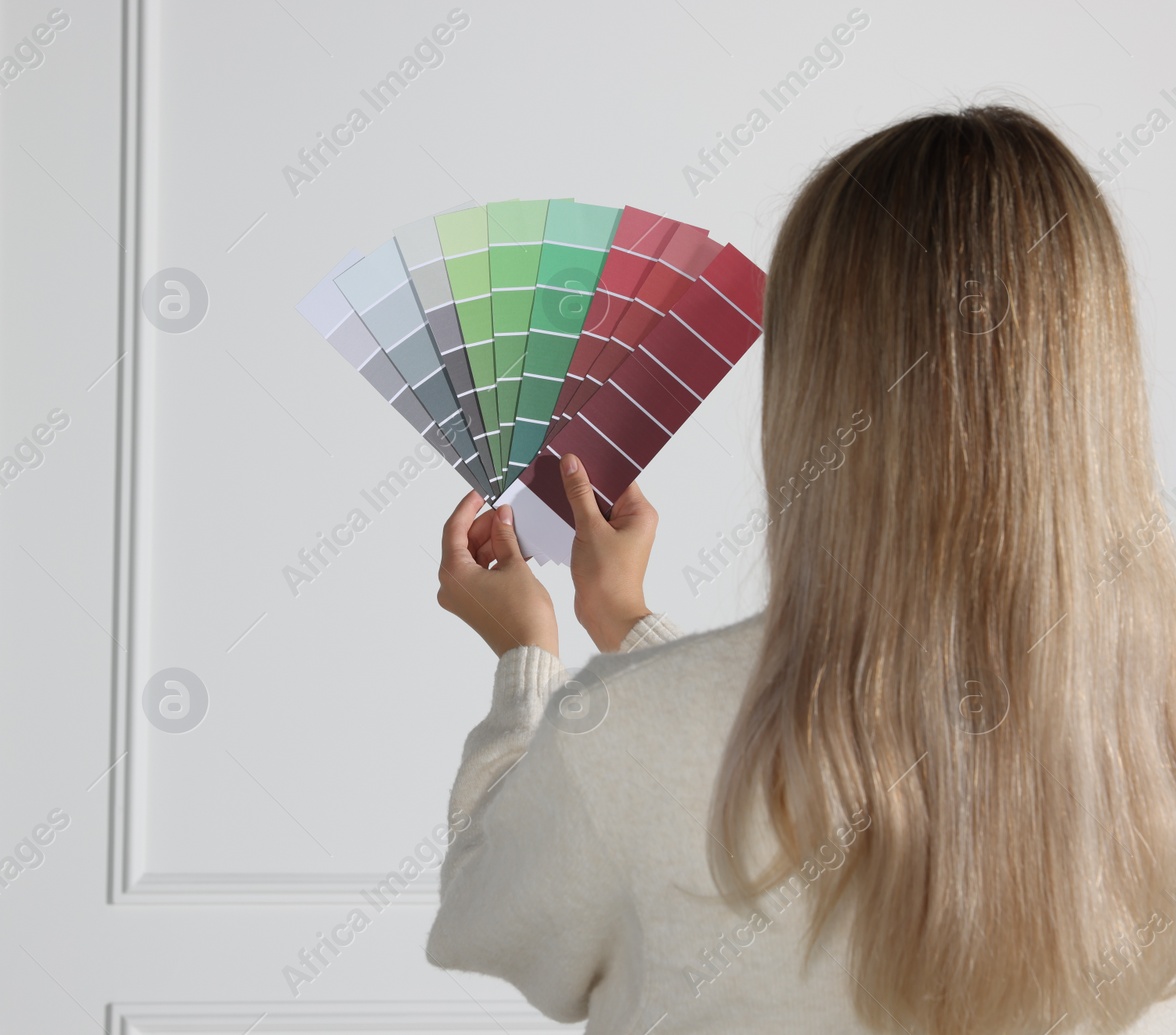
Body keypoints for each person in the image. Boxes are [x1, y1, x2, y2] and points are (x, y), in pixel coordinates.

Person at [427, 105, 1176, 1035]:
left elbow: (485, 917)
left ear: (815, 385)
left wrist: (527, 661)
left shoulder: (616, 736)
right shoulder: (1146, 725)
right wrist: (630, 625)